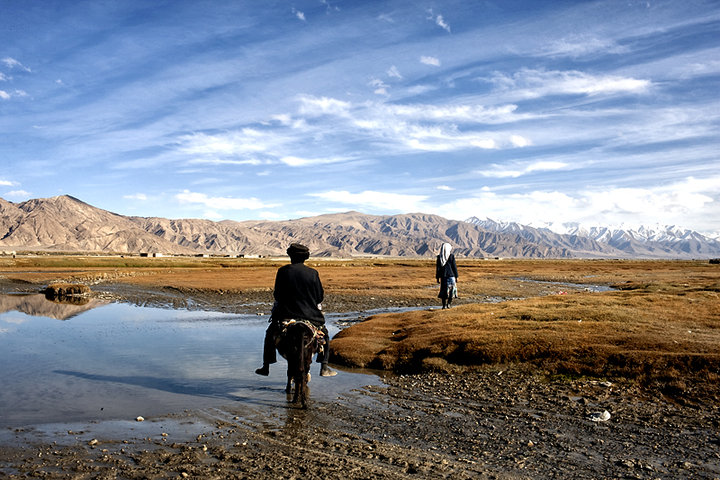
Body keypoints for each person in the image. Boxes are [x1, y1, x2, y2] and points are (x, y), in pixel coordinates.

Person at [255, 243, 337, 377]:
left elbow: (277, 295)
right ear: (306, 257)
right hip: (310, 316)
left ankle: (266, 366)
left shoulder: (282, 271)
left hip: (285, 315)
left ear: (290, 256)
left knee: (270, 334)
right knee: (325, 334)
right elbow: (319, 297)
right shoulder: (313, 273)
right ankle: (324, 366)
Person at [436, 242, 458, 309]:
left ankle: (443, 306)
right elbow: (454, 267)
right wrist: (456, 276)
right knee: (451, 291)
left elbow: (438, 268)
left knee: (444, 291)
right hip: (451, 276)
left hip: (443, 277)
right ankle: (449, 304)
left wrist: (437, 277)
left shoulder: (439, 257)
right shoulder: (451, 256)